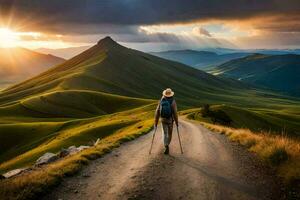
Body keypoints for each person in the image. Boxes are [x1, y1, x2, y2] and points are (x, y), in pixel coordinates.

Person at [154, 88, 179, 154]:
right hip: (170, 120)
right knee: (170, 133)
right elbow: (175, 113)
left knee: (165, 133)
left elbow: (157, 111)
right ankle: (167, 144)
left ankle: (166, 145)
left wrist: (155, 123)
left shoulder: (161, 100)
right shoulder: (173, 101)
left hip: (163, 119)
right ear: (171, 94)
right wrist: (177, 122)